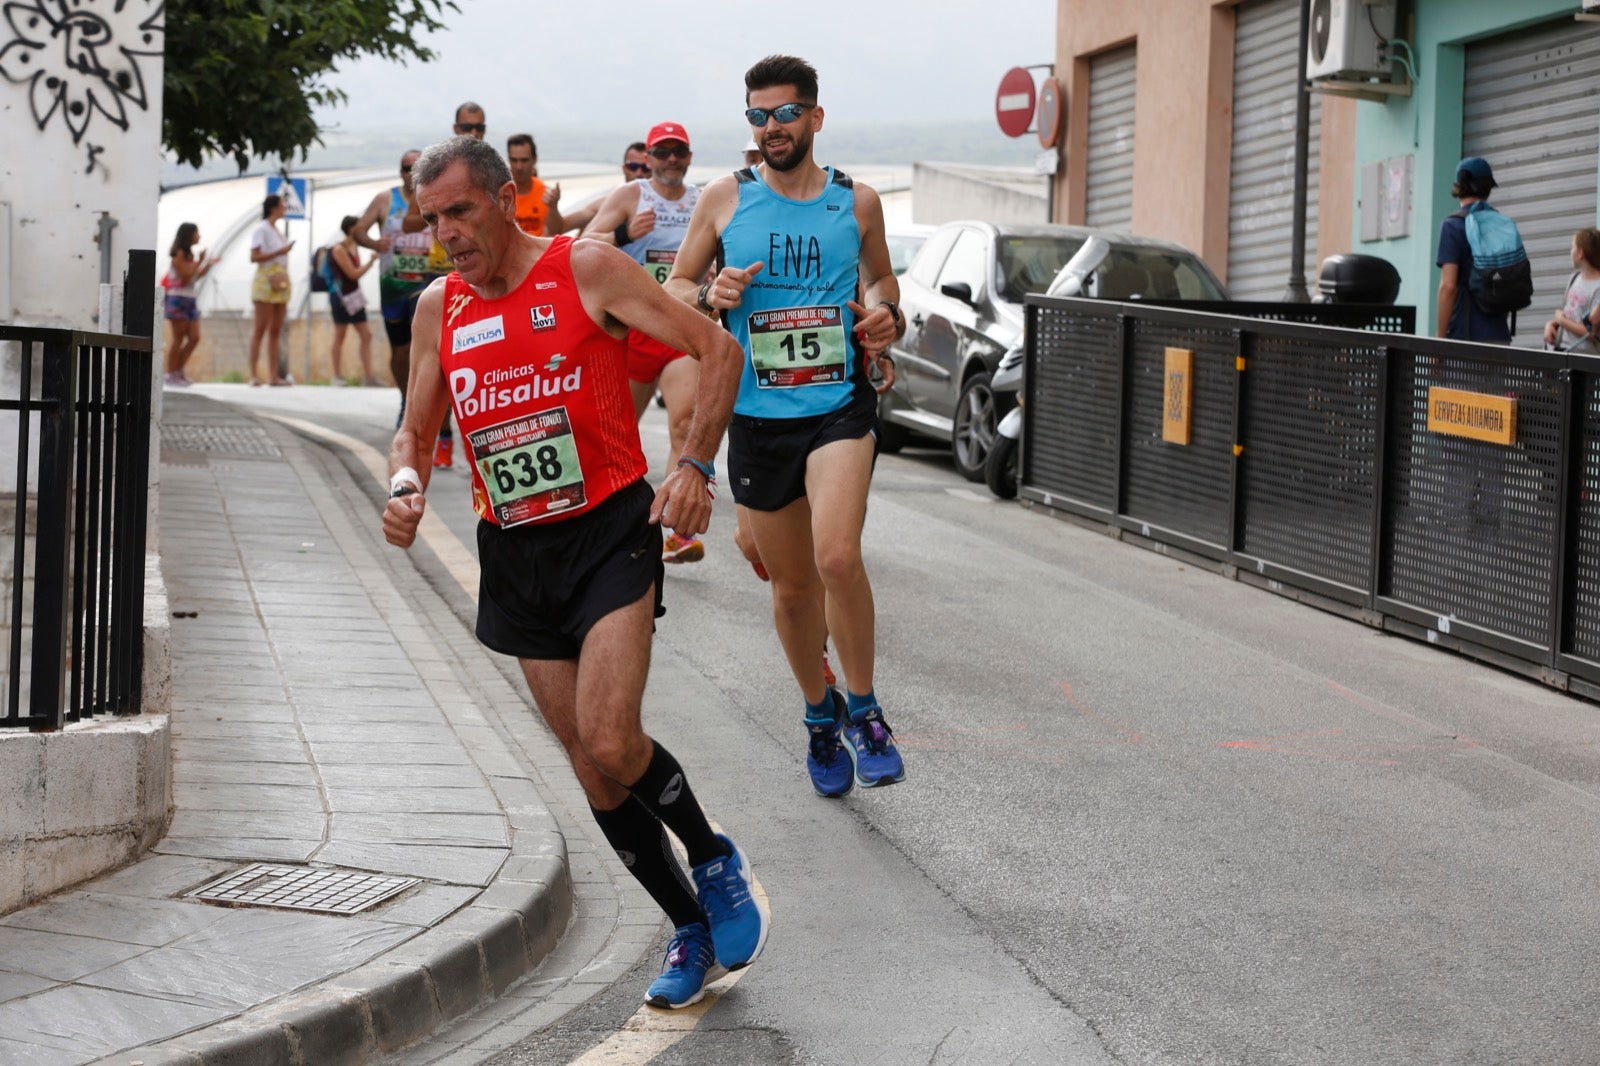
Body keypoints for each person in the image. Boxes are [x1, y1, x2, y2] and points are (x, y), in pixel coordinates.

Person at [381, 136, 766, 1010]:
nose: (446, 235)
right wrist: (405, 484)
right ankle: (690, 927)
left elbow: (718, 351)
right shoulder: (440, 307)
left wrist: (694, 466)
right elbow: (414, 430)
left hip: (606, 531)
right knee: (591, 770)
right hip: (515, 550)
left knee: (611, 739)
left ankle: (713, 857)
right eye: (433, 219)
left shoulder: (585, 268)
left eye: (460, 212)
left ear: (503, 199)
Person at [666, 54, 906, 797]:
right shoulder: (724, 199)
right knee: (794, 588)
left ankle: (865, 710)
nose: (771, 127)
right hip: (757, 414)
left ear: (815, 117)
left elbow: (882, 280)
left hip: (838, 405)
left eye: (785, 113)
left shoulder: (856, 202)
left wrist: (885, 315)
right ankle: (817, 715)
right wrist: (709, 293)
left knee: (837, 556)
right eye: (758, 116)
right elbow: (675, 287)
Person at [585, 121, 707, 564]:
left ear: (689, 157)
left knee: (685, 424)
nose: (671, 160)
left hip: (678, 327)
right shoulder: (631, 196)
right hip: (631, 330)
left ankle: (678, 533)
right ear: (649, 157)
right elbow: (584, 244)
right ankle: (598, 524)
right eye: (662, 152)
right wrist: (624, 235)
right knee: (613, 435)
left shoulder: (702, 200)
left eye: (678, 152)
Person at [352, 150, 455, 450]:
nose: (411, 172)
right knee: (399, 353)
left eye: (416, 167)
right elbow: (358, 230)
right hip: (394, 285)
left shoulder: (435, 195)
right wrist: (374, 243)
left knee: (428, 350)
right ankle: (405, 398)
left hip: (427, 283)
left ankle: (428, 414)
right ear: (400, 171)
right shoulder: (385, 199)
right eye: (406, 167)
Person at [1436, 156, 1512, 343]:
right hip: (1498, 336)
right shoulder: (1502, 224)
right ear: (1488, 188)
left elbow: (1448, 287)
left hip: (1464, 337)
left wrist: (1439, 340)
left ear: (1459, 186)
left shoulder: (1453, 225)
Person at [553, 142, 652, 235]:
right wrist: (552, 206)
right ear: (624, 168)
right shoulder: (605, 203)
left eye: (645, 168)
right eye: (633, 166)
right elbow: (560, 228)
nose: (639, 173)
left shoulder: (659, 207)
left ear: (653, 168)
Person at [248, 195, 295, 387]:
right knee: (260, 328)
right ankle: (253, 375)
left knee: (275, 330)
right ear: (273, 208)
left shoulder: (276, 230)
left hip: (280, 279)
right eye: (282, 205)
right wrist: (278, 252)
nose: (285, 208)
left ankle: (273, 375)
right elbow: (254, 256)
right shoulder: (262, 229)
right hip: (266, 279)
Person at [162, 222, 215, 387]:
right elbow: (185, 275)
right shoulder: (178, 253)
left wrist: (207, 264)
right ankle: (171, 373)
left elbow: (194, 277)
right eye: (196, 233)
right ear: (189, 235)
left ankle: (179, 370)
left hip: (190, 298)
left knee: (194, 337)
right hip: (178, 299)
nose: (199, 236)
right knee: (178, 338)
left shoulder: (190, 255)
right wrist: (200, 261)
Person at [328, 214, 379, 385]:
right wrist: (371, 262)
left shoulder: (354, 247)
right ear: (351, 229)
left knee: (366, 335)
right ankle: (337, 376)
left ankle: (369, 377)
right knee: (340, 335)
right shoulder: (339, 249)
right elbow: (352, 274)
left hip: (355, 296)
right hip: (342, 298)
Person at [1543, 228, 1600, 354]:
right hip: (1563, 350)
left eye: (1572, 247)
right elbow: (1570, 314)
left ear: (1580, 253)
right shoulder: (1574, 278)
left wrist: (1561, 320)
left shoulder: (1597, 287)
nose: (1570, 252)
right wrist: (1552, 324)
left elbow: (1591, 333)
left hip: (1584, 356)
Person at [508, 133, 564, 237]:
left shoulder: (545, 194)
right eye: (514, 160)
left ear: (534, 160)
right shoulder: (500, 194)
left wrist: (553, 207)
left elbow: (555, 231)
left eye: (524, 160)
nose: (519, 167)